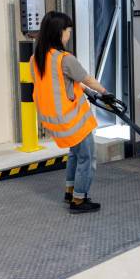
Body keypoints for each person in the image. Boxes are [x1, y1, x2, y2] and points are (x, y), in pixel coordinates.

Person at [31, 11, 110, 214]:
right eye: (68, 31)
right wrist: (104, 93)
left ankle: (70, 191)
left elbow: (58, 84)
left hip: (55, 121)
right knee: (88, 157)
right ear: (60, 33)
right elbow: (86, 78)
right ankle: (79, 199)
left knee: (75, 154)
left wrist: (86, 91)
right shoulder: (65, 59)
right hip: (73, 120)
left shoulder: (36, 59)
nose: (69, 34)